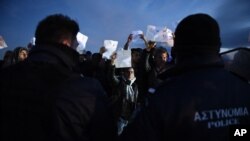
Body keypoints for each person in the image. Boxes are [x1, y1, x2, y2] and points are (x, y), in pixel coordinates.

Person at [120, 13, 250, 141]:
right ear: (218, 45)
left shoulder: (163, 98)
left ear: (177, 49)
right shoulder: (244, 89)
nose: (163, 59)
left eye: (165, 57)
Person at [0, 14, 117, 141]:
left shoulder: (4, 77)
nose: (77, 49)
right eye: (75, 45)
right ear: (66, 43)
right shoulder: (85, 89)